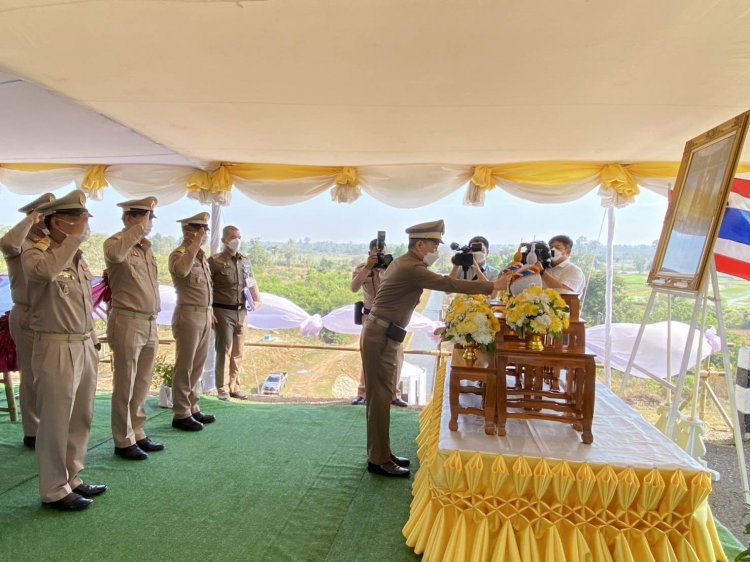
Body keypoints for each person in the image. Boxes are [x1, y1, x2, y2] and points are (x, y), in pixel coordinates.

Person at [361, 220, 508, 477]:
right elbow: (448, 285)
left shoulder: (407, 263)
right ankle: (379, 459)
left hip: (384, 333)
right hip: (381, 336)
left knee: (381, 395)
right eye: (434, 245)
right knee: (380, 397)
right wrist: (493, 286)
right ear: (420, 245)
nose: (436, 250)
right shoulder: (410, 267)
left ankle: (381, 452)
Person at [22, 190, 106, 511]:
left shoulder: (77, 257)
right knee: (56, 420)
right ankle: (54, 489)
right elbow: (42, 274)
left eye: (84, 220)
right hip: (55, 346)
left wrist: (93, 338)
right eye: (76, 220)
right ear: (56, 222)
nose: (83, 227)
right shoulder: (35, 252)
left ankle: (73, 476)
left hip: (83, 343)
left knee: (81, 416)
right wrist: (71, 241)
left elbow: (82, 304)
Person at [104, 197, 164, 461]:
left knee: (142, 382)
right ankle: (123, 439)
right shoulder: (115, 243)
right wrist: (136, 229)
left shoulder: (147, 249)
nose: (148, 224)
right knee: (125, 382)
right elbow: (115, 256)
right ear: (129, 218)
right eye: (144, 218)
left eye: (150, 219)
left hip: (150, 321)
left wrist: (140, 232)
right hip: (127, 320)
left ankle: (137, 431)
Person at [0, 192, 55, 449]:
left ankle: (47, 424)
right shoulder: (21, 243)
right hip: (27, 314)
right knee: (32, 375)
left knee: (48, 375)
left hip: (49, 315)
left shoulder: (48, 242)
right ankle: (32, 432)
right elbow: (7, 243)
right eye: (43, 215)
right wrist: (30, 219)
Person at [169, 212, 216, 431]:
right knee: (185, 365)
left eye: (205, 230)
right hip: (188, 314)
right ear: (188, 232)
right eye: (199, 230)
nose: (204, 234)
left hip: (204, 314)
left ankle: (193, 406)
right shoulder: (179, 255)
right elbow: (182, 271)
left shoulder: (201, 257)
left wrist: (210, 311)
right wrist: (194, 245)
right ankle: (181, 412)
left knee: (198, 365)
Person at [350, 239, 407, 408]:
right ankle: (363, 393)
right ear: (369, 254)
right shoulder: (362, 269)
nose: (379, 256)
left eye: (382, 253)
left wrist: (386, 269)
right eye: (375, 253)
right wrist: (368, 267)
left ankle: (394, 395)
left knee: (396, 356)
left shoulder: (394, 269)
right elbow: (354, 287)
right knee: (368, 356)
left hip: (392, 319)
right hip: (369, 318)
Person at [208, 225, 261, 401]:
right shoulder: (214, 261)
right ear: (224, 240)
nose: (237, 240)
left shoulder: (244, 260)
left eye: (239, 236)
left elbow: (251, 281)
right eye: (232, 237)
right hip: (222, 310)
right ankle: (222, 388)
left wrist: (257, 298)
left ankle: (234, 385)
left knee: (238, 351)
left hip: (241, 311)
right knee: (224, 350)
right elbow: (206, 288)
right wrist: (210, 310)